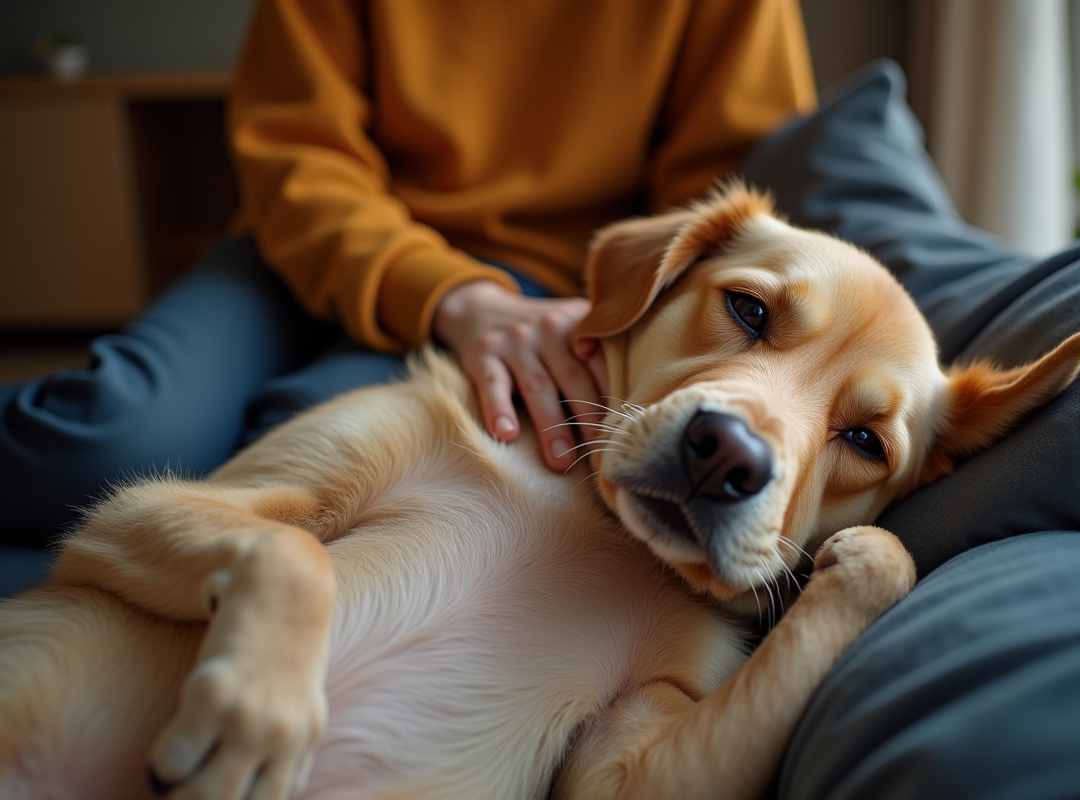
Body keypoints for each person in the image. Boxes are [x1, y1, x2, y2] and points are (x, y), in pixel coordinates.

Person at [0, 0, 816, 561]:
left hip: (541, 286)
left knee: (293, 471)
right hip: (304, 242)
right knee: (107, 430)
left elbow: (723, 210)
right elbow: (297, 152)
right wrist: (450, 294)